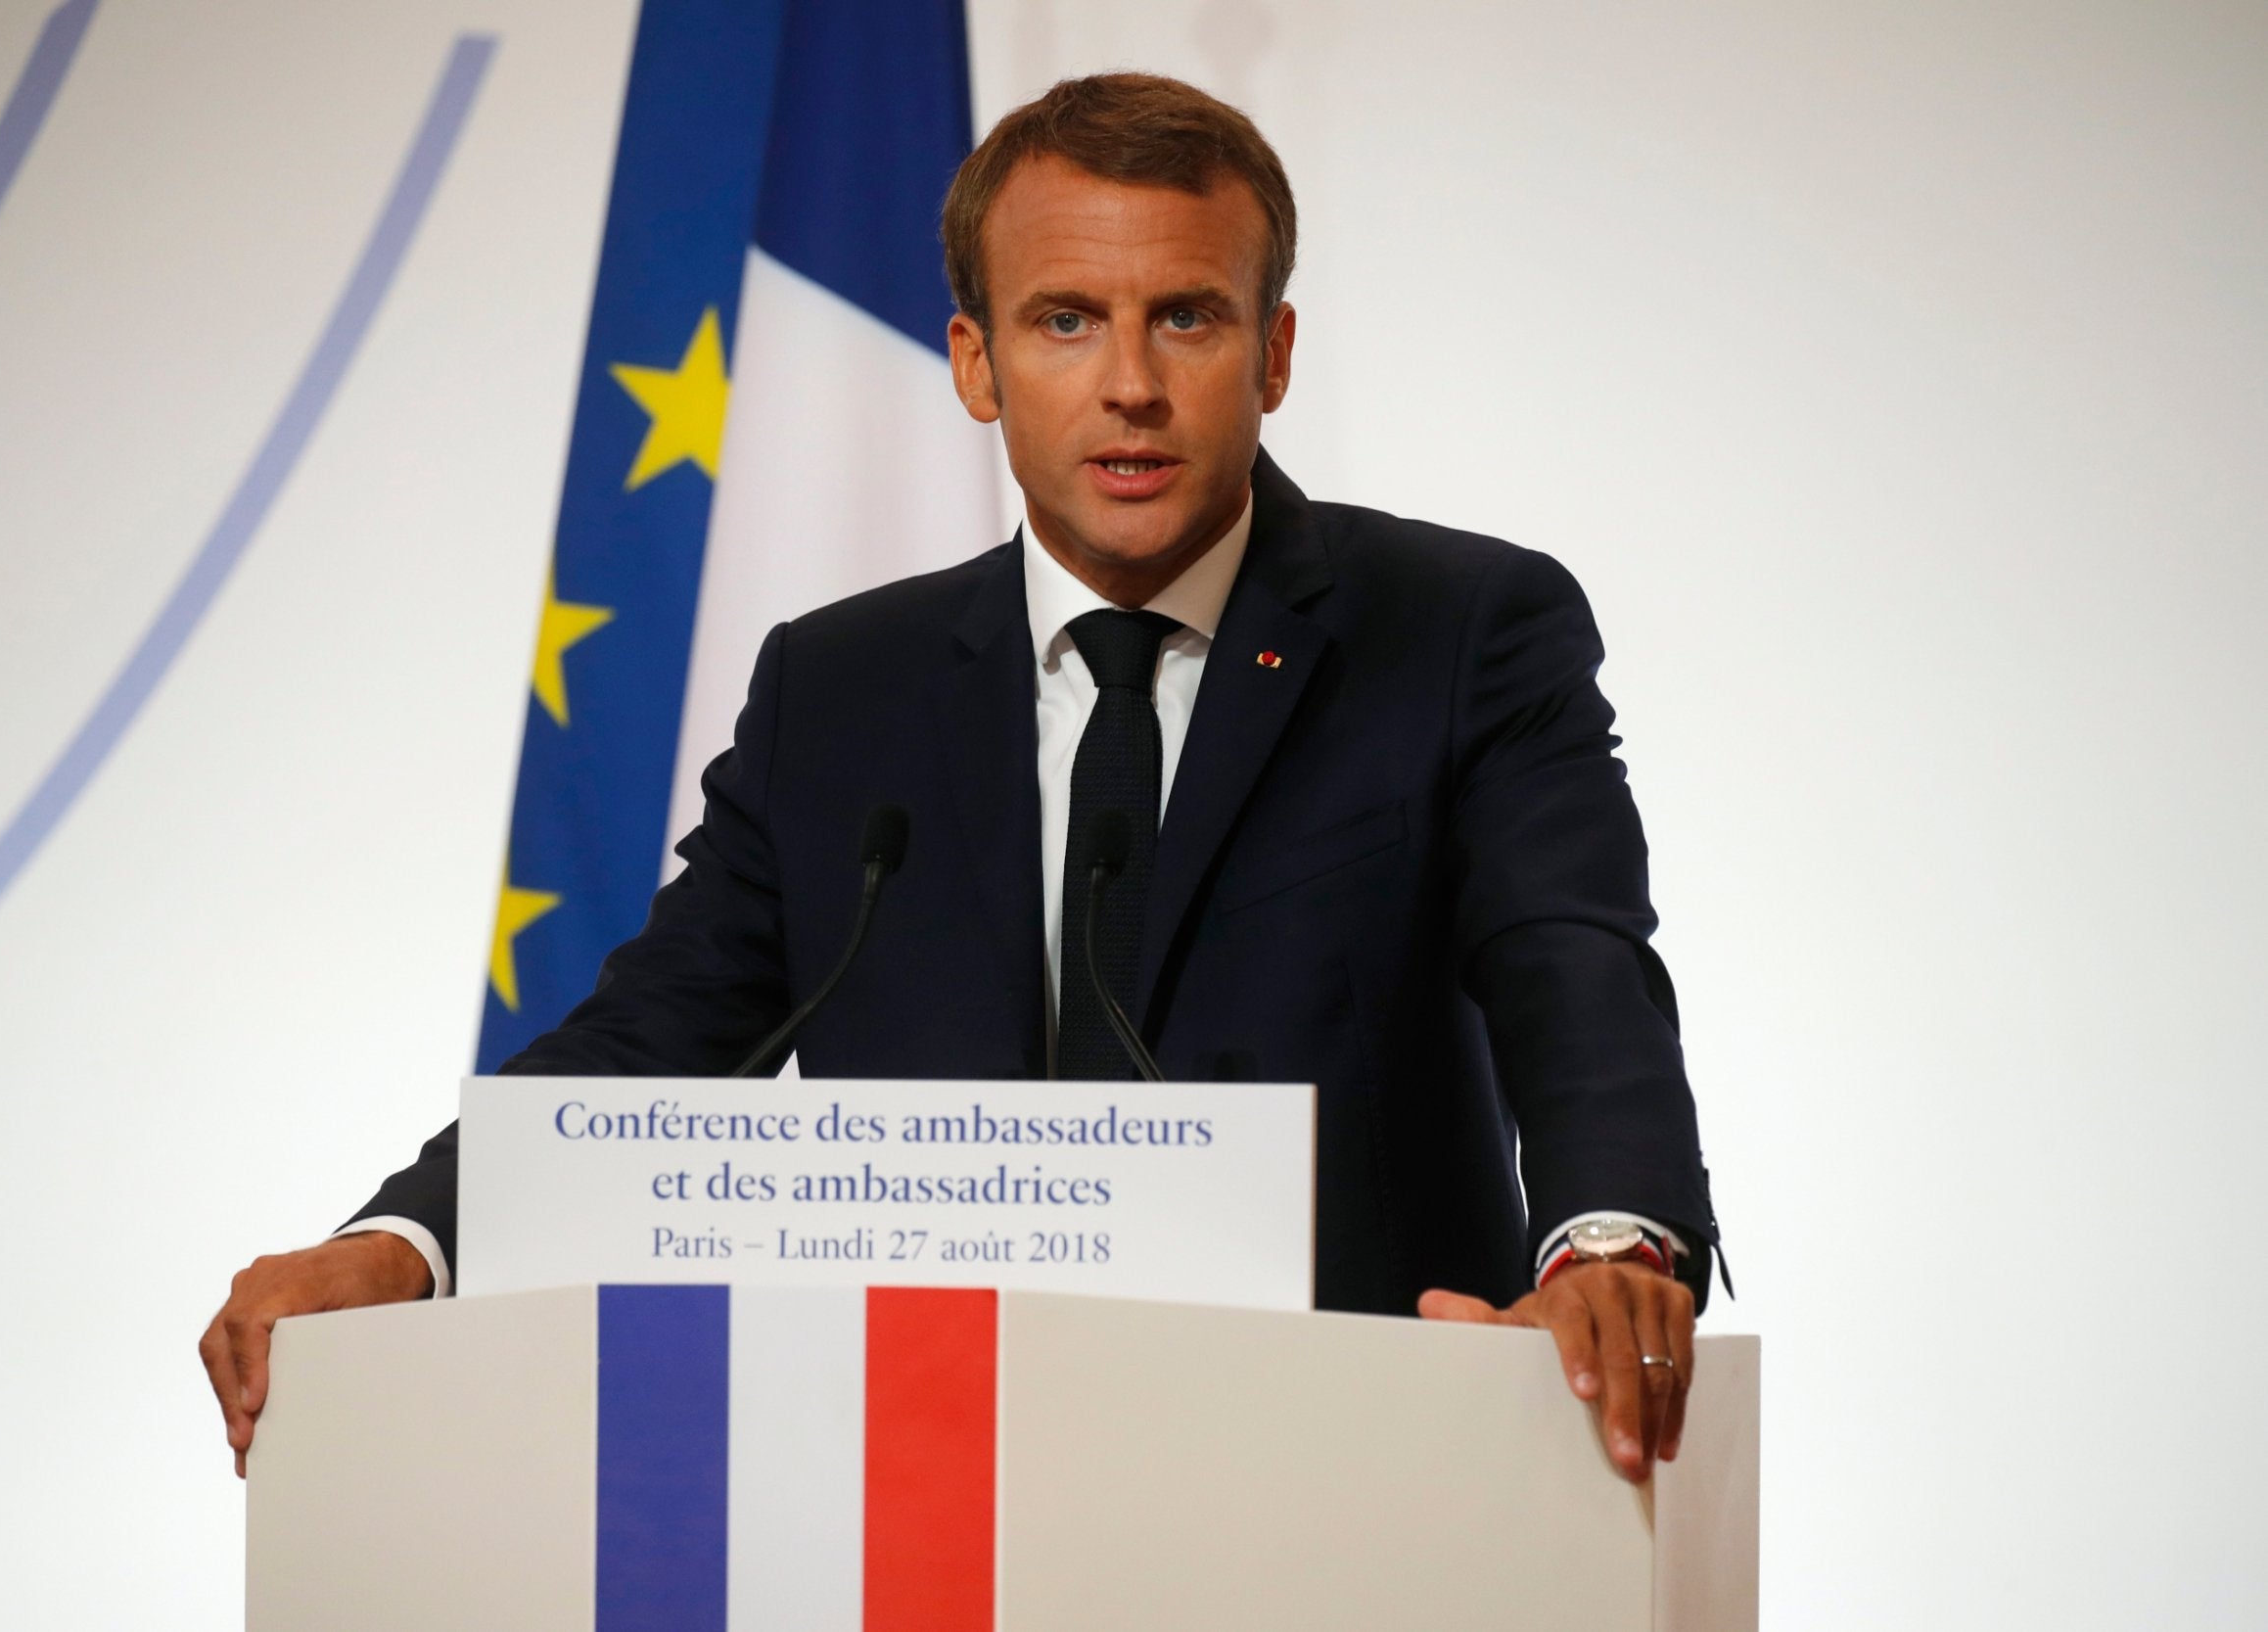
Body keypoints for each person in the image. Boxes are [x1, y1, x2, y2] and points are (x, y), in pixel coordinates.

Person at [201, 72, 1722, 1485]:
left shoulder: (1461, 631)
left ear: (1274, 353)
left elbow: (1573, 967)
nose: (1129, 385)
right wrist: (405, 1242)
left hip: (1353, 1478)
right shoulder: (841, 689)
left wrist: (1609, 1247)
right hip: (930, 1482)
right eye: (1066, 321)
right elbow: (653, 1035)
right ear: (976, 364)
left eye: (1186, 318)